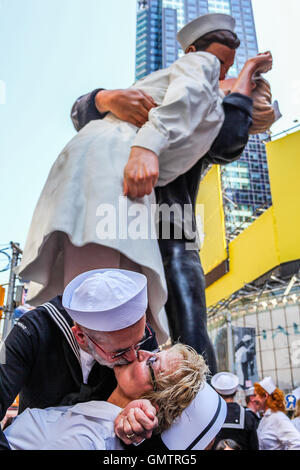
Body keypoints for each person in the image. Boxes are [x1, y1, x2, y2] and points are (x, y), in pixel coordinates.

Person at [17, 13, 273, 353]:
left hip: (168, 219)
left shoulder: (211, 109)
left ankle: (177, 391)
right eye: (223, 67)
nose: (222, 74)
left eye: (229, 71)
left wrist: (242, 86)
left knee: (161, 314)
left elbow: (227, 138)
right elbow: (89, 112)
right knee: (99, 302)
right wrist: (104, 98)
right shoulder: (185, 81)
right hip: (125, 196)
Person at [0, 269, 160, 450]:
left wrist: (149, 409)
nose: (134, 356)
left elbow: (164, 397)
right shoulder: (31, 332)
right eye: (119, 352)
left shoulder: (144, 339)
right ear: (81, 337)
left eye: (139, 342)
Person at [3, 345, 227, 451]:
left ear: (152, 405)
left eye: (152, 362)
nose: (142, 352)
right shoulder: (97, 414)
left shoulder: (89, 441)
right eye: (156, 352)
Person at [211, 371, 259, 450]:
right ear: (236, 391)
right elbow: (254, 446)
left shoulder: (209, 417)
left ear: (216, 392)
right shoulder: (248, 417)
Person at [254, 377, 300, 450]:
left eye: (256, 395)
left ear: (265, 396)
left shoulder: (278, 418)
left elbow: (297, 443)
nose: (254, 399)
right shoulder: (266, 418)